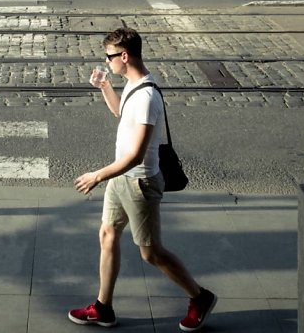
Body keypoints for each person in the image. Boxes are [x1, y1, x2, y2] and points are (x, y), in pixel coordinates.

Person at [69, 27, 217, 331]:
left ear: (125, 56)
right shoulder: (133, 86)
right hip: (119, 178)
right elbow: (120, 112)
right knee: (107, 234)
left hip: (140, 184)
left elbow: (136, 155)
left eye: (109, 57)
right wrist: (105, 87)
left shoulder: (148, 96)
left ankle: (199, 297)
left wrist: (97, 175)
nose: (107, 61)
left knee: (151, 253)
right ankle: (103, 308)